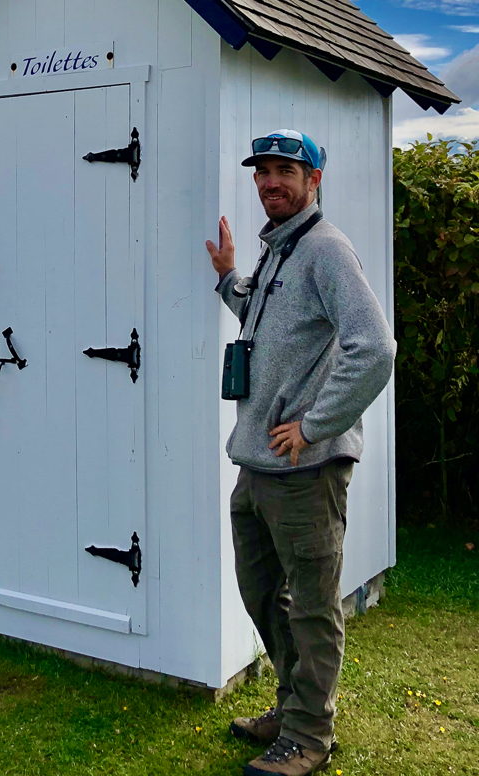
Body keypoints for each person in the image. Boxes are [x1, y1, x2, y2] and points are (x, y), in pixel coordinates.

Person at [205, 129, 396, 776]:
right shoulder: (279, 253)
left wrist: (316, 424)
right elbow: (262, 323)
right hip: (256, 463)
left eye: (284, 170)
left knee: (312, 607)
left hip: (305, 471)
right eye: (262, 173)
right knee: (263, 594)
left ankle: (310, 737)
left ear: (315, 179)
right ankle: (292, 709)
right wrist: (229, 278)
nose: (269, 183)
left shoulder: (326, 251)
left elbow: (375, 347)